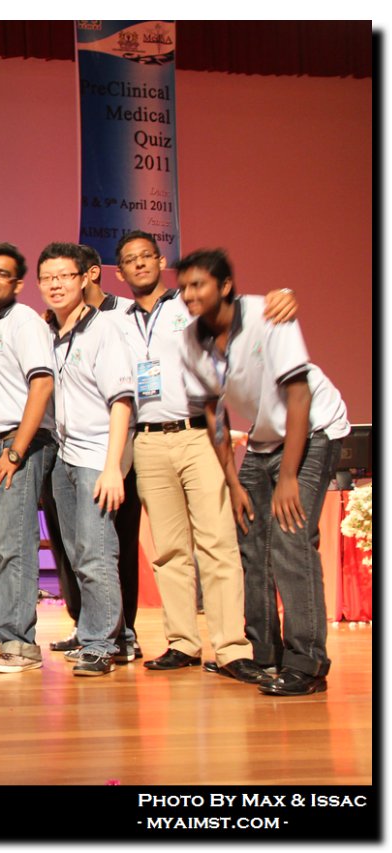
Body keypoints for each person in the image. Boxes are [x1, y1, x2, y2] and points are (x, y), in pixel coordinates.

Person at [113, 231, 294, 683]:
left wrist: (283, 295)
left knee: (217, 543)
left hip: (197, 434)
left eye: (147, 256)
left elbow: (248, 309)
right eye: (130, 260)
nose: (139, 264)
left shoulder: (189, 305)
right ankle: (182, 642)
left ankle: (231, 647)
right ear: (120, 272)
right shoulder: (117, 319)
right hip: (148, 440)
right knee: (169, 550)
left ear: (161, 261)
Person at [178, 248, 349, 696]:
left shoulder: (268, 315)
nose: (189, 295)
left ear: (225, 286)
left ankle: (307, 664)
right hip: (263, 438)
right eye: (184, 288)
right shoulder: (192, 339)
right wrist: (233, 481)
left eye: (198, 285)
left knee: (291, 538)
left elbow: (299, 396)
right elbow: (213, 414)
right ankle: (264, 651)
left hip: (314, 428)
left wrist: (289, 477)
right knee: (250, 541)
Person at [35, 242, 134, 677]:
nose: (55, 284)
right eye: (47, 278)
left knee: (96, 552)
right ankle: (117, 636)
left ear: (83, 279)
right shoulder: (48, 334)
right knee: (78, 554)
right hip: (64, 455)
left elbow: (121, 401)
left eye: (64, 276)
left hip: (97, 455)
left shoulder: (105, 329)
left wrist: (113, 466)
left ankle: (100, 644)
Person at [0, 243, 57, 674]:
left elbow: (42, 384)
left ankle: (21, 643)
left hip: (21, 442)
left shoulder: (25, 322)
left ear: (18, 284)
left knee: (13, 545)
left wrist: (17, 450)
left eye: (3, 273)